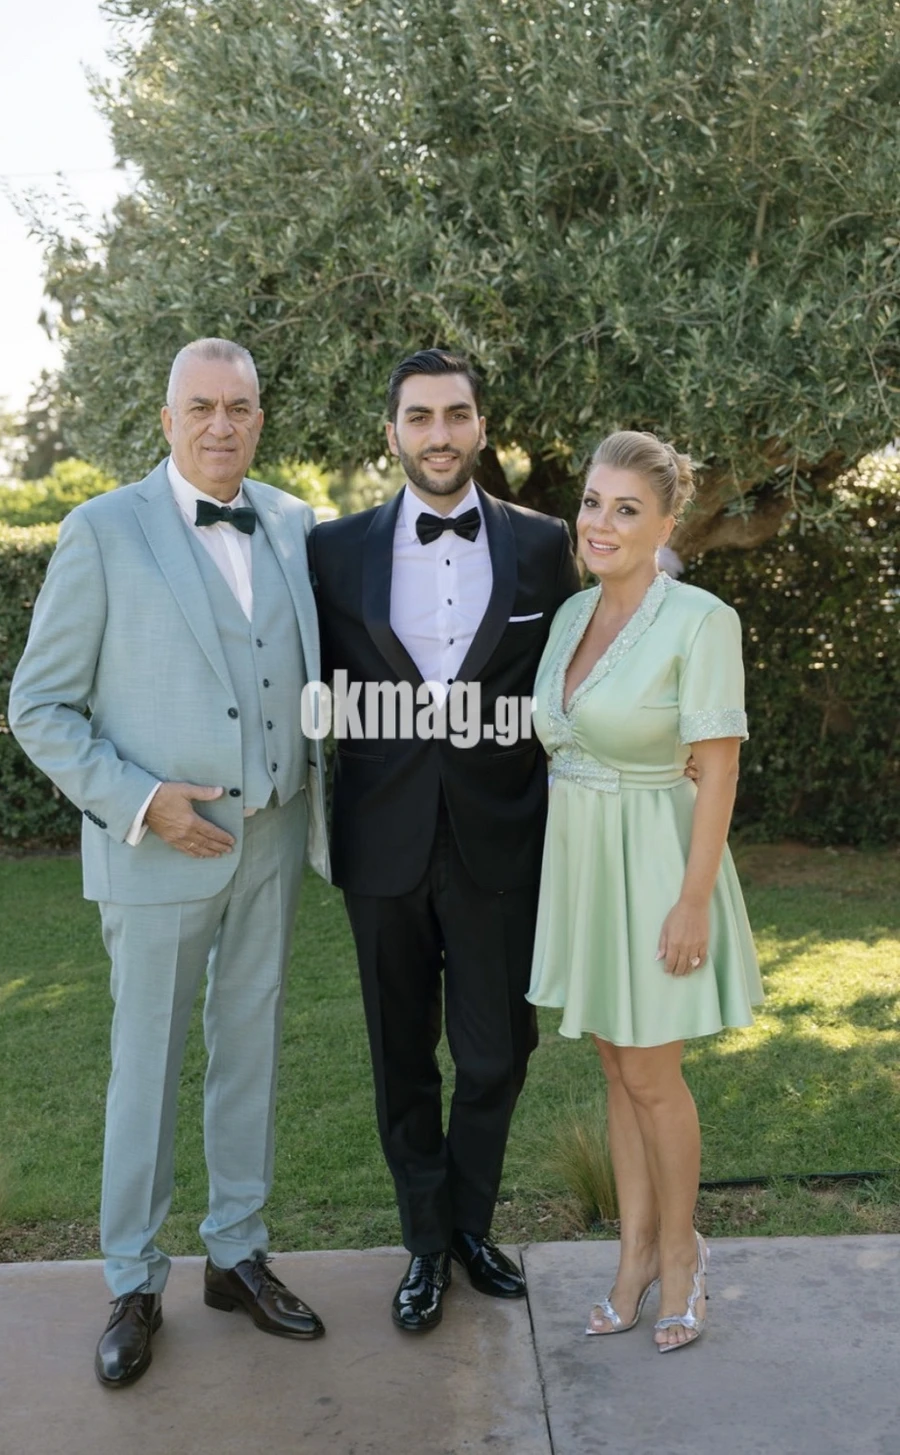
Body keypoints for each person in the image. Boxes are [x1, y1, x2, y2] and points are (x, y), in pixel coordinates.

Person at [8, 338, 330, 1388]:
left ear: (260, 419)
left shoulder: (294, 522)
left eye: (239, 407)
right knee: (144, 1065)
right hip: (155, 850)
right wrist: (143, 801)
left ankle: (236, 1254)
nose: (221, 425)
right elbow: (39, 707)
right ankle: (133, 1279)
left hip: (271, 837)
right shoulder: (102, 529)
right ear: (167, 420)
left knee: (253, 1048)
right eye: (201, 407)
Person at [309, 348, 578, 1332]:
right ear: (391, 432)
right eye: (418, 417)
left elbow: (578, 668)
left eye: (455, 414)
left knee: (497, 1051)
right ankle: (427, 1241)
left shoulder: (543, 543)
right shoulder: (331, 551)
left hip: (499, 838)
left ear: (480, 426)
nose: (438, 434)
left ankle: (470, 1222)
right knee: (400, 1054)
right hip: (380, 839)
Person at [527, 429, 763, 1352]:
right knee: (617, 1071)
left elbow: (719, 767)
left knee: (655, 1078)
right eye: (593, 501)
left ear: (667, 524)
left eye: (627, 509)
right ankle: (631, 1254)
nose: (602, 521)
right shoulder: (568, 616)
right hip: (586, 870)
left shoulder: (702, 619)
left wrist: (693, 899)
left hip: (660, 868)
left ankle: (681, 1253)